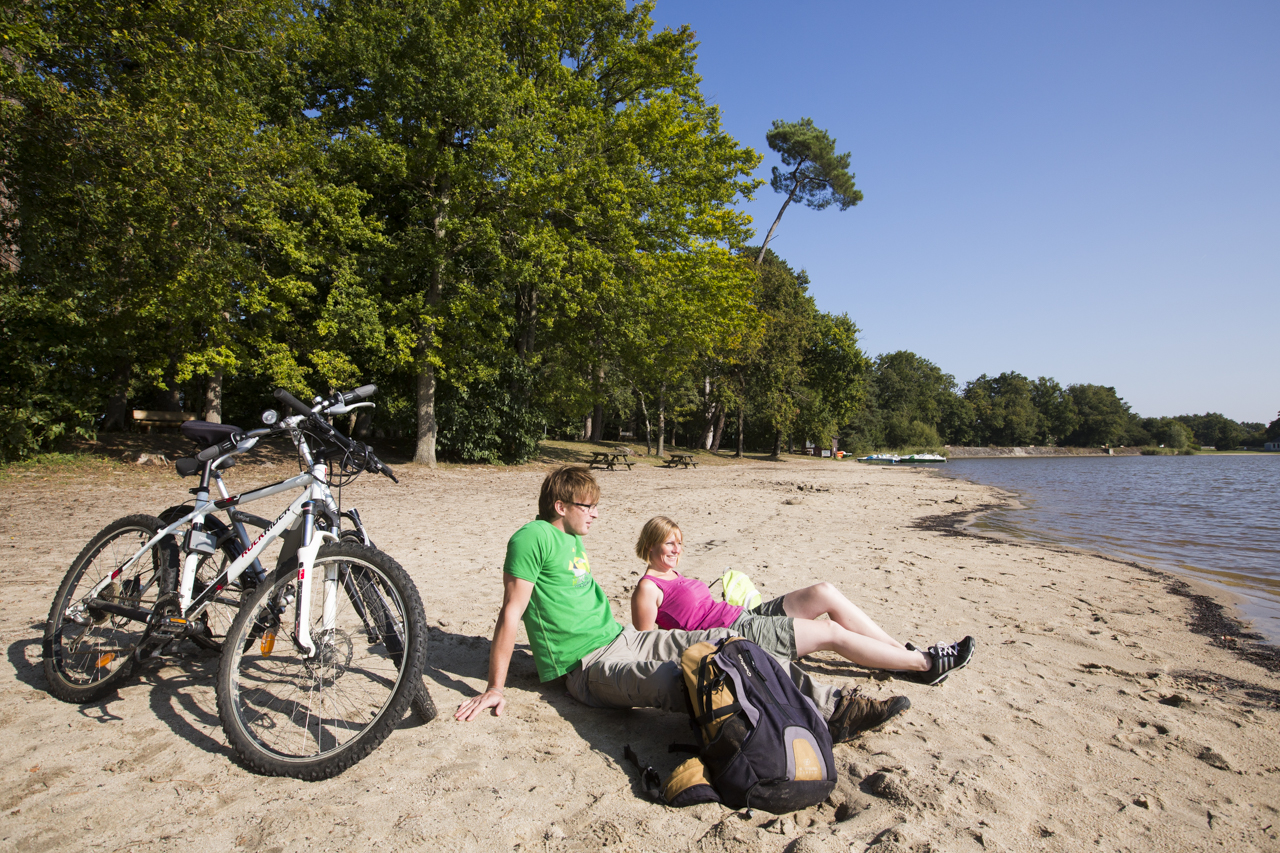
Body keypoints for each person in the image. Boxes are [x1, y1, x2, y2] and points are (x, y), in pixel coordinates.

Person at [454, 466, 910, 741]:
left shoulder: (571, 541)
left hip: (621, 639)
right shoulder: (531, 537)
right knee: (697, 678)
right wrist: (496, 686)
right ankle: (815, 716)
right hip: (586, 668)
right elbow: (511, 613)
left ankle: (835, 704)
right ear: (560, 505)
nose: (594, 513)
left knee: (732, 645)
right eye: (587, 505)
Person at [630, 516, 974, 685]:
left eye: (679, 543)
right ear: (650, 545)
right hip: (734, 635)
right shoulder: (648, 588)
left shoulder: (675, 576)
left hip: (745, 616)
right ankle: (926, 665)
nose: (677, 550)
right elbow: (650, 644)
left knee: (824, 591)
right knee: (829, 632)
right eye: (669, 544)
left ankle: (903, 655)